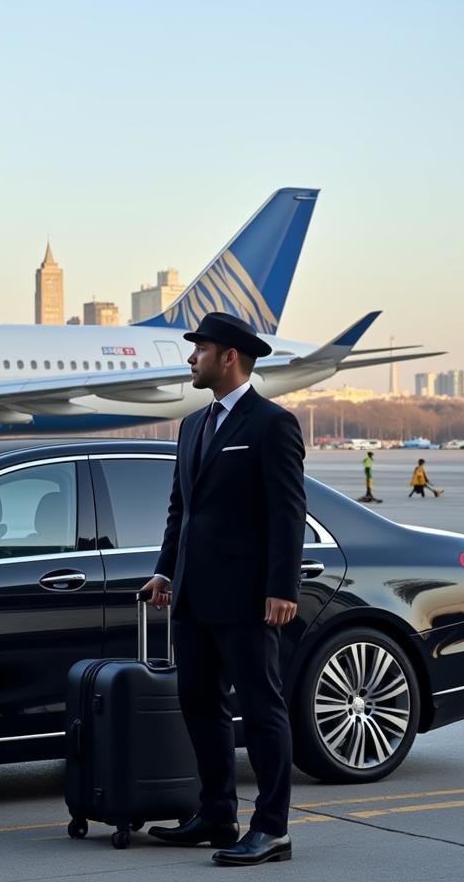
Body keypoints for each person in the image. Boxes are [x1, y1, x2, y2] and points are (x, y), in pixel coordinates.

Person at [141, 312, 306, 868]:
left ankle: (273, 828)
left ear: (228, 356)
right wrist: (165, 570)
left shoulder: (271, 424)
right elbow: (180, 511)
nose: (191, 359)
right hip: (191, 596)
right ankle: (216, 815)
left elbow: (287, 513)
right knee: (200, 705)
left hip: (248, 598)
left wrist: (281, 587)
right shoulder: (191, 425)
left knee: (261, 711)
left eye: (200, 350)